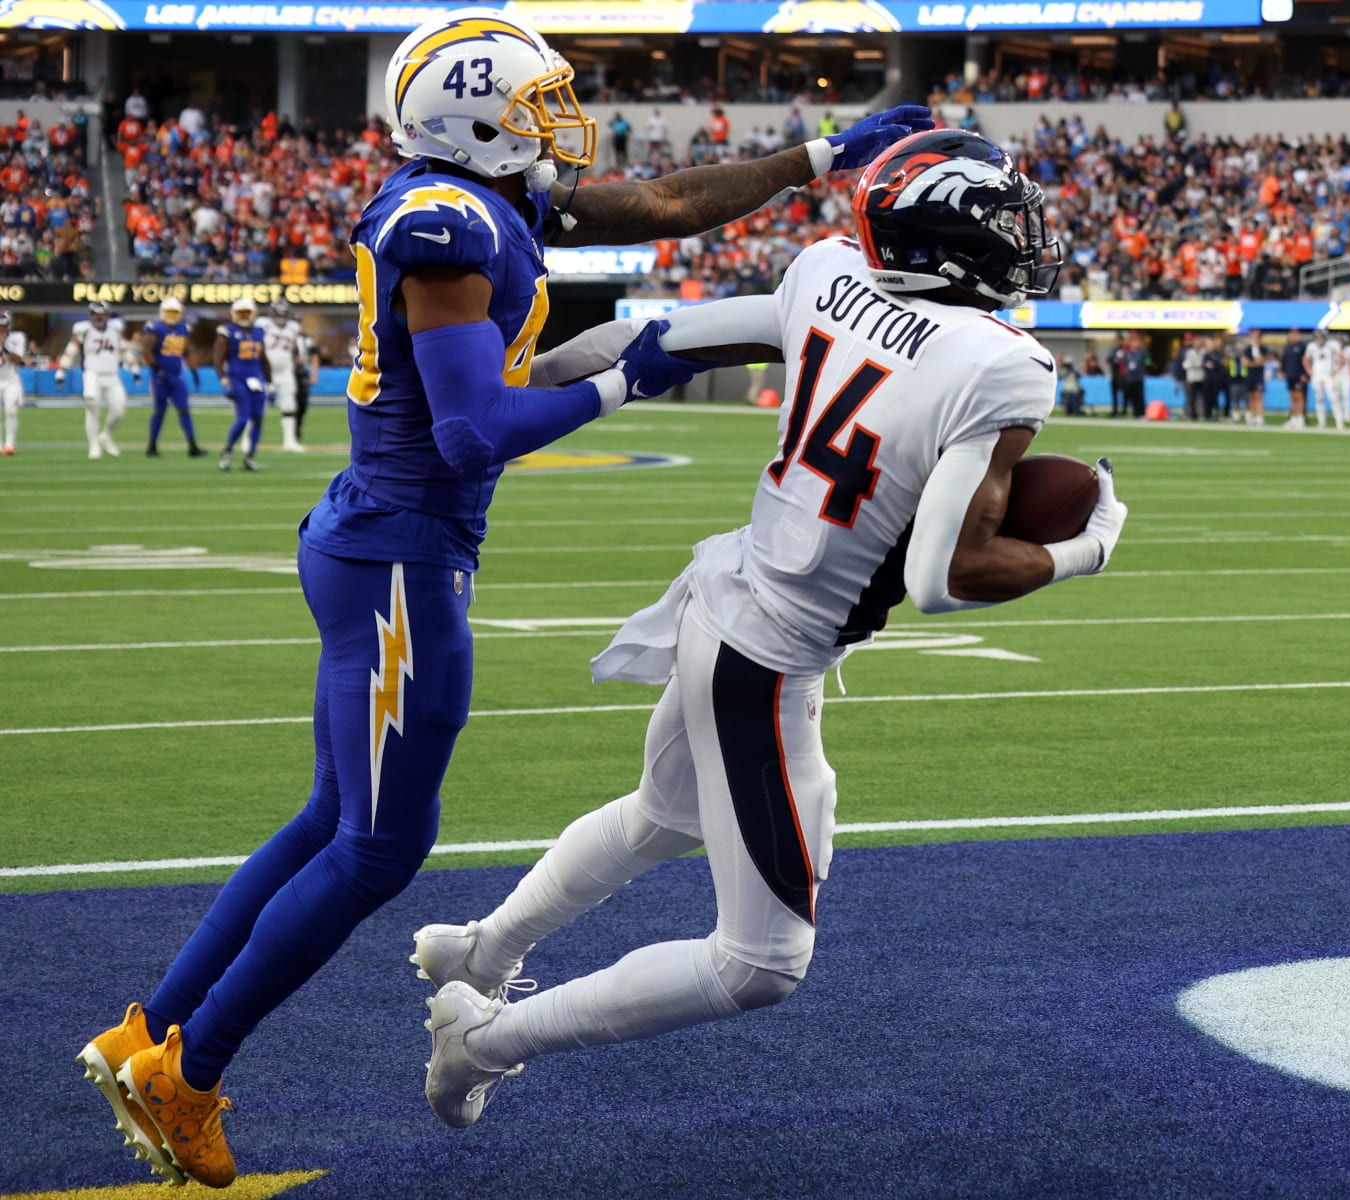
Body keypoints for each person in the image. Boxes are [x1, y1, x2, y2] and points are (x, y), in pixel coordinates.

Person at [79, 9, 932, 1188]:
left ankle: (150, 1031)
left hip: (377, 540)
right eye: (534, 106)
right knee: (379, 848)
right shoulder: (453, 224)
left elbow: (665, 204)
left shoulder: (477, 199)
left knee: (331, 820)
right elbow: (474, 430)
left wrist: (816, 160)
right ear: (471, 119)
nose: (557, 126)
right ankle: (189, 1075)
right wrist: (626, 379)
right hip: (401, 557)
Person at [408, 129, 1127, 1129]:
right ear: (952, 240)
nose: (1023, 241)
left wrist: (511, 404)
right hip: (768, 656)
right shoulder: (1001, 364)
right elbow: (942, 577)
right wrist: (1089, 547)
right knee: (759, 963)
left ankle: (479, 952)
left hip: (726, 598)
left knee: (661, 818)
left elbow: (663, 337)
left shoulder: (827, 272)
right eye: (1005, 224)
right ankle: (482, 1042)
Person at [58, 299, 135, 459]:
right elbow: (71, 350)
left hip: (112, 375)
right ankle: (93, 445)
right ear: (91, 315)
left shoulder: (115, 329)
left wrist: (134, 368)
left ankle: (105, 435)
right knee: (92, 409)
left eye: (101, 314)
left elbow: (125, 349)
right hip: (92, 374)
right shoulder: (84, 330)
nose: (98, 317)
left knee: (119, 409)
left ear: (107, 315)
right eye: (95, 314)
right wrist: (61, 371)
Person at [140, 297, 202, 458]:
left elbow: (186, 351)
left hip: (176, 375)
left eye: (175, 313)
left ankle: (192, 445)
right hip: (159, 376)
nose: (172, 316)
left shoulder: (183, 328)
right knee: (160, 410)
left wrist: (194, 371)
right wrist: (157, 368)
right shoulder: (156, 328)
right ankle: (152, 446)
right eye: (169, 313)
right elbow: (146, 351)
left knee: (184, 409)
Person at [215, 298, 269, 472]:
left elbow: (263, 358)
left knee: (258, 418)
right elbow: (218, 358)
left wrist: (270, 382)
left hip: (257, 378)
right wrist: (223, 378)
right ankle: (227, 451)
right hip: (237, 378)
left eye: (247, 313)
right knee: (244, 417)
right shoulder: (227, 331)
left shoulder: (259, 332)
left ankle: (250, 457)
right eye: (241, 313)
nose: (244, 316)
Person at [254, 299, 306, 452]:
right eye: (278, 313)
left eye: (284, 313)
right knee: (258, 407)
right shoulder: (262, 324)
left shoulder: (293, 327)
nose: (281, 316)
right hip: (264, 371)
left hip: (285, 371)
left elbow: (296, 348)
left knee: (290, 405)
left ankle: (290, 441)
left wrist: (300, 363)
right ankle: (250, 440)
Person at [0, 311, 23, 455]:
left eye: (4, 325)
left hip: (10, 379)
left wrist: (4, 346)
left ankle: (9, 444)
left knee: (11, 411)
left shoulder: (17, 338)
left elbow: (18, 360)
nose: (1, 328)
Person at [1281, 327, 1308, 428]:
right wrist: (1283, 371)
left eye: (1295, 334)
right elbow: (1284, 360)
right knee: (1292, 397)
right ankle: (1293, 418)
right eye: (1292, 334)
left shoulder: (1302, 346)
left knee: (1299, 397)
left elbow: (1306, 361)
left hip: (1299, 375)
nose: (1293, 336)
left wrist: (1305, 374)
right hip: (1290, 375)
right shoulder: (1288, 347)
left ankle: (1301, 418)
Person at [1244, 328, 1268, 427]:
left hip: (1259, 376)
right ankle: (1254, 416)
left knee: (1259, 396)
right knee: (1252, 396)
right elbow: (1245, 362)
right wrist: (1254, 363)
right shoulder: (1247, 349)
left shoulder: (1263, 349)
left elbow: (1261, 361)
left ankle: (1259, 417)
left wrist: (1252, 363)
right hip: (1250, 376)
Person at [1180, 332, 1206, 420]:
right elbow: (1186, 364)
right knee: (1191, 398)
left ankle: (1201, 414)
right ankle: (1191, 414)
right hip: (1191, 378)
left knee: (1201, 398)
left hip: (1201, 377)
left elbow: (1201, 364)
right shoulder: (1189, 352)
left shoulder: (1204, 352)